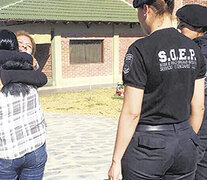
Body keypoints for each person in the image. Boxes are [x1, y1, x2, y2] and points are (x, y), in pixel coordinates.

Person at [108, 0, 206, 179]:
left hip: (148, 149)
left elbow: (132, 112)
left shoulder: (140, 50)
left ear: (146, 10)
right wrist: (187, 138)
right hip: (184, 141)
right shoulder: (193, 48)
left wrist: (116, 160)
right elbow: (198, 106)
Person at [0, 29, 47, 180]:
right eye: (19, 43)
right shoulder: (30, 74)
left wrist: (6, 77)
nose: (24, 47)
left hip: (32, 148)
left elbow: (40, 75)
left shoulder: (32, 71)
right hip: (12, 151)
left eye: (28, 46)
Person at [176, 4, 207, 180]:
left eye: (182, 25)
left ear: (198, 29)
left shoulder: (195, 54)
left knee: (189, 168)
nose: (178, 29)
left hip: (198, 124)